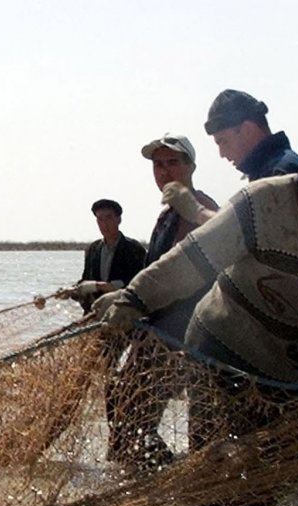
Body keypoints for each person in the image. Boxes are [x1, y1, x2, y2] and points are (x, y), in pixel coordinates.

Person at [94, 108, 298, 506]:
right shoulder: (261, 200)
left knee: (278, 467)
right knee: (213, 464)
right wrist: (134, 297)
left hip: (287, 362)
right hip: (220, 341)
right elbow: (193, 258)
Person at [101, 134, 219, 470]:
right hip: (157, 331)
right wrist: (121, 296)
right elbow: (155, 269)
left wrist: (134, 300)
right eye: (158, 165)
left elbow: (189, 270)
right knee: (123, 403)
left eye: (173, 163)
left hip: (182, 336)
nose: (164, 171)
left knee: (130, 409)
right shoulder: (167, 213)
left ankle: (152, 479)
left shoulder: (199, 207)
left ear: (191, 167)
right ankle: (154, 474)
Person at [161, 88, 298, 228]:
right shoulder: (272, 170)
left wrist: (198, 212)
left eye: (223, 141)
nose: (222, 154)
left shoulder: (281, 173)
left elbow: (261, 242)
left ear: (248, 130)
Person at [69, 199, 147, 314]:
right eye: (100, 220)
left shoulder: (134, 248)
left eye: (108, 218)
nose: (104, 224)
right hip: (95, 313)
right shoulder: (92, 249)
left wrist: (102, 286)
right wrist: (72, 291)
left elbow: (140, 284)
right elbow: (86, 280)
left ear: (118, 219)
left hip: (123, 313)